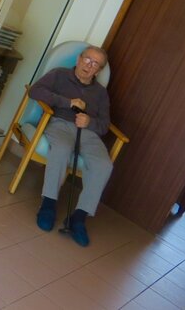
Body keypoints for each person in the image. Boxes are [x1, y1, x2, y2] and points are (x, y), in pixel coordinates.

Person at [29, 45, 112, 247]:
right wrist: (68, 103)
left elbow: (104, 125)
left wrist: (89, 122)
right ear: (78, 59)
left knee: (104, 165)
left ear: (98, 71)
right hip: (60, 124)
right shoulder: (59, 74)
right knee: (61, 150)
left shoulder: (101, 93)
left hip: (88, 133)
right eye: (87, 59)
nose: (89, 65)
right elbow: (35, 90)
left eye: (95, 64)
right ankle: (48, 205)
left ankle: (78, 218)